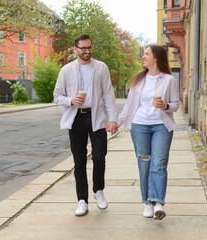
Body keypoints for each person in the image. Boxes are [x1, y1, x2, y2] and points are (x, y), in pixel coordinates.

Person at [53, 34, 118, 217]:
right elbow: (57, 96)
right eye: (83, 48)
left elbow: (108, 95)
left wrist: (113, 119)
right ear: (75, 50)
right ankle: (82, 200)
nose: (87, 51)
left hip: (97, 118)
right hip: (76, 119)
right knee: (79, 162)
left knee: (99, 157)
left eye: (89, 47)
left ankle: (98, 190)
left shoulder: (101, 68)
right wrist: (71, 100)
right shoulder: (66, 70)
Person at [117, 45, 179, 220]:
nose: (143, 57)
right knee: (145, 165)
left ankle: (158, 203)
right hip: (139, 127)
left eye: (146, 54)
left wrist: (166, 106)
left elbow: (175, 104)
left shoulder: (168, 80)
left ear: (156, 58)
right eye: (143, 54)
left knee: (158, 164)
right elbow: (129, 106)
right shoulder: (138, 79)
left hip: (161, 126)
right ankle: (147, 203)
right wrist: (117, 122)